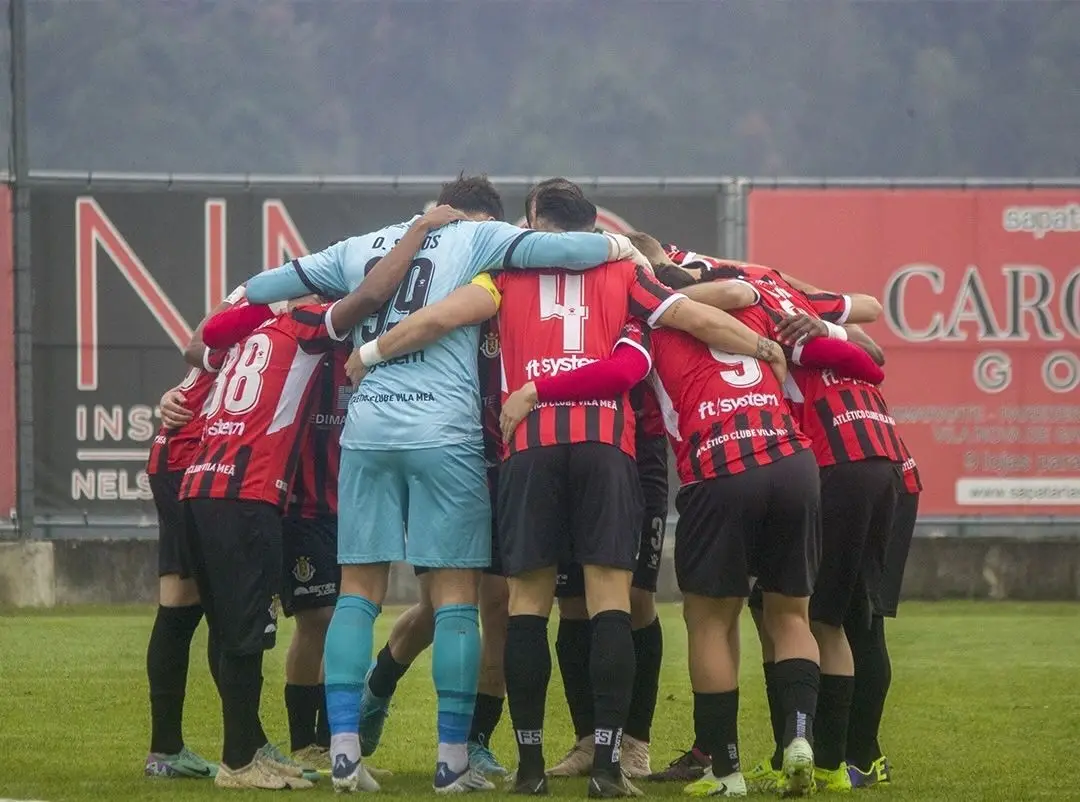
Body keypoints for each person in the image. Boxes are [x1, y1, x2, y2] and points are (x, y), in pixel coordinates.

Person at [346, 183, 787, 799]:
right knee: (612, 599)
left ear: (533, 221)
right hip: (607, 449)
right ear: (592, 224)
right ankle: (608, 766)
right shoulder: (621, 269)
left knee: (526, 605)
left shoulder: (502, 272)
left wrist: (372, 350)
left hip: (529, 449)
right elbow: (692, 315)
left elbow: (442, 317)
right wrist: (764, 344)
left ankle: (529, 770)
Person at [243, 174, 652, 793]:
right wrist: (623, 247)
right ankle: (452, 760)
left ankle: (345, 752)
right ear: (482, 216)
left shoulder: (361, 245)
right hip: (451, 431)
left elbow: (266, 287)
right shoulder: (485, 241)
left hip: (371, 427)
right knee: (460, 597)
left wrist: (230, 306)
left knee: (359, 590)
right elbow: (573, 250)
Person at [354, 313, 511, 779]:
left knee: (499, 604)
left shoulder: (528, 298)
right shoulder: (459, 298)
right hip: (446, 456)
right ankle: (376, 690)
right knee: (435, 607)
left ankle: (475, 739)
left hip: (506, 468)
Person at [142, 283, 246, 780]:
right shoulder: (286, 309)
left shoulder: (252, 300)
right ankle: (245, 749)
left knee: (184, 607)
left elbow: (197, 348)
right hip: (196, 459)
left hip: (176, 456)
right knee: (223, 609)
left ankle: (166, 751)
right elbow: (196, 346)